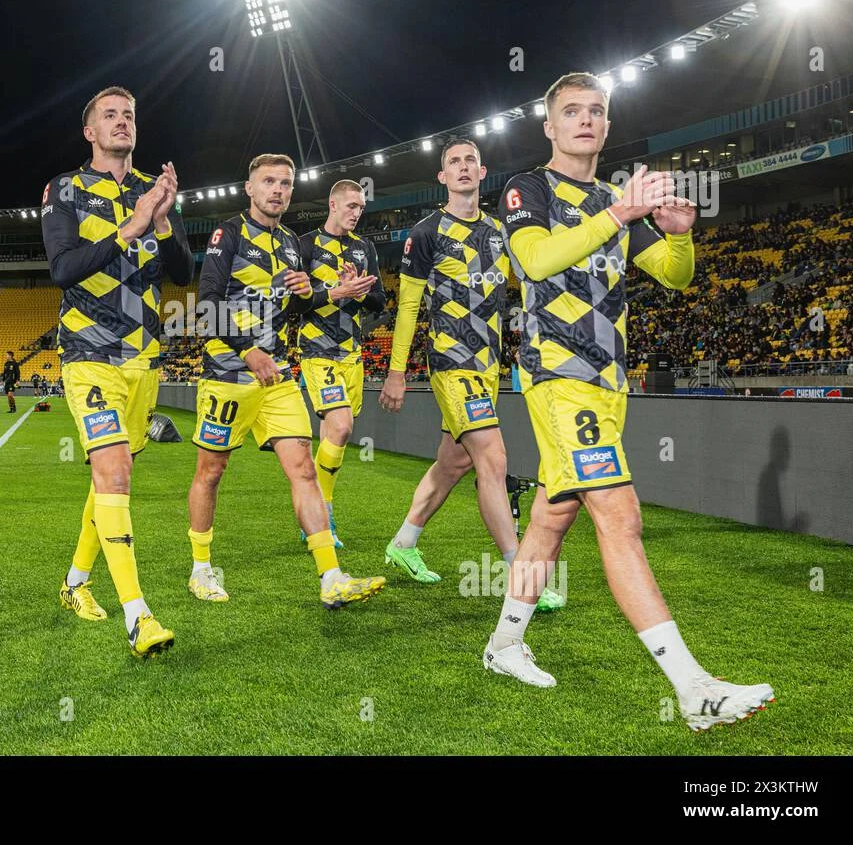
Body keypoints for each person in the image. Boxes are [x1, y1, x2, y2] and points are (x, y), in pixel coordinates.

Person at [482, 71, 772, 731]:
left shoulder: (616, 199)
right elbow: (533, 261)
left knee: (554, 520)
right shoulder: (528, 188)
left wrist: (681, 233)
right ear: (550, 127)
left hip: (609, 380)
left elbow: (673, 276)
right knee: (619, 512)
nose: (586, 119)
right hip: (557, 375)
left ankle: (504, 646)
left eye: (597, 111)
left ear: (607, 127)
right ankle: (693, 687)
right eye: (572, 111)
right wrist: (619, 213)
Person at [185, 153, 385, 609]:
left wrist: (321, 293)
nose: (278, 190)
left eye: (286, 183)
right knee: (211, 472)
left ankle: (330, 576)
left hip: (278, 376)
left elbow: (298, 307)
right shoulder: (228, 233)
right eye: (269, 181)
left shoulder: (294, 243)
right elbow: (208, 303)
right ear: (250, 189)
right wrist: (249, 350)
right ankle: (201, 568)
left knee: (303, 470)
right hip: (228, 373)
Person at [378, 139, 565, 610]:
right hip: (450, 361)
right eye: (453, 163)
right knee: (493, 459)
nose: (462, 168)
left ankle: (402, 544)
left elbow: (531, 289)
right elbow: (407, 306)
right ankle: (520, 573)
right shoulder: (425, 233)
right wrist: (396, 371)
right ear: (442, 178)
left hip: (488, 366)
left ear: (484, 173)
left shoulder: (502, 233)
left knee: (454, 463)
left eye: (470, 161)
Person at [41, 84, 191, 658]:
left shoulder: (150, 189)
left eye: (129, 115)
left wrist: (164, 219)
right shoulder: (66, 189)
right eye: (111, 115)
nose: (123, 122)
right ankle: (139, 617)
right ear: (90, 132)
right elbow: (63, 268)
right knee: (115, 474)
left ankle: (76, 582)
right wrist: (129, 227)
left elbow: (180, 272)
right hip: (89, 351)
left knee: (110, 476)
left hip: (144, 359)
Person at [296, 179, 385, 548]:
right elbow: (291, 304)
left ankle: (309, 516)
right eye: (350, 206)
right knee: (343, 426)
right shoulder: (304, 245)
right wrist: (335, 291)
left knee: (335, 435)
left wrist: (361, 292)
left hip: (352, 354)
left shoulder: (364, 248)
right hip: (317, 351)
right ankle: (323, 515)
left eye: (361, 207)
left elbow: (379, 303)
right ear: (332, 204)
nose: (356, 212)